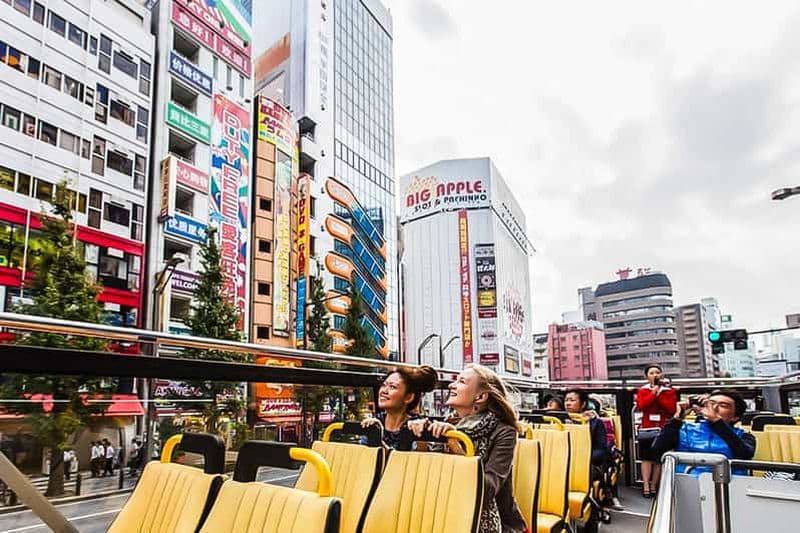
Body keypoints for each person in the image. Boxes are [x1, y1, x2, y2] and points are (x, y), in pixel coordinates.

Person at [408, 364, 526, 533]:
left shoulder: (504, 432)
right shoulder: (447, 424)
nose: (451, 385)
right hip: (442, 512)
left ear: (480, 397)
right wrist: (421, 437)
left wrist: (455, 445)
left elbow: (487, 490)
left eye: (461, 381)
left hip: (494, 521)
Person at [651, 390, 755, 476]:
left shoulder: (744, 436)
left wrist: (717, 421)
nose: (714, 408)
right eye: (711, 404)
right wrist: (677, 419)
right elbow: (656, 452)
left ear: (735, 417)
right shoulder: (684, 430)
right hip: (685, 483)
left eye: (723, 405)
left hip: (727, 486)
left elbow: (745, 454)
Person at [361, 365, 437, 450]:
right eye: (384, 385)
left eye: (392, 387)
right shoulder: (375, 422)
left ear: (408, 397)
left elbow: (421, 457)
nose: (383, 391)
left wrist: (421, 437)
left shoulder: (418, 424)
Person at [635, 364, 677, 497]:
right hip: (647, 427)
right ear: (647, 376)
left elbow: (670, 409)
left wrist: (659, 394)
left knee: (659, 458)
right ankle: (646, 485)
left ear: (661, 375)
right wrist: (653, 393)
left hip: (663, 427)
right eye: (652, 373)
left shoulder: (669, 391)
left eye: (657, 372)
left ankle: (654, 484)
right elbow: (642, 406)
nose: (655, 375)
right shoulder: (643, 390)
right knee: (646, 458)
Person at [564, 389, 609, 466]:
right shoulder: (559, 421)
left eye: (572, 400)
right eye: (566, 400)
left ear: (583, 404)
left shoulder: (595, 422)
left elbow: (600, 450)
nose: (568, 403)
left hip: (586, 462)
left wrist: (583, 457)